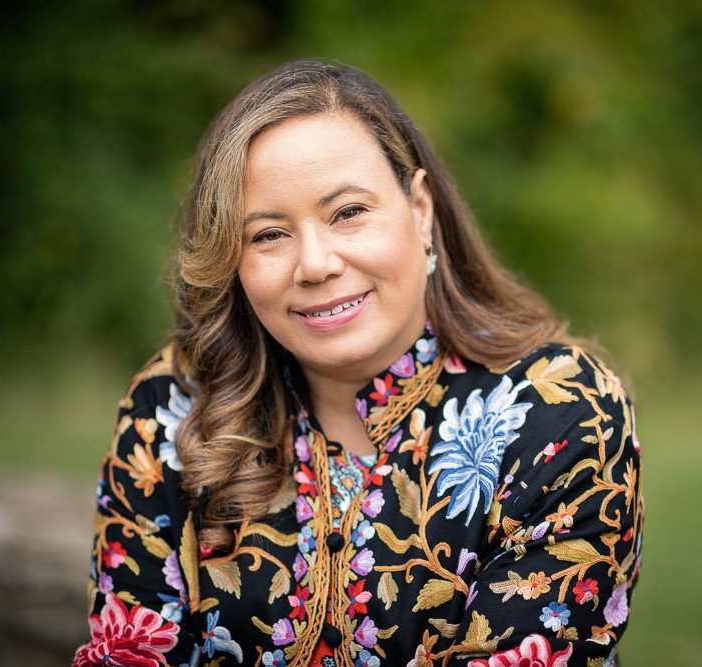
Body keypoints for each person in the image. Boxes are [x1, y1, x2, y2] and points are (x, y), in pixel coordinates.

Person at [73, 59, 643, 667]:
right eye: (268, 235)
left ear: (420, 209)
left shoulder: (561, 414)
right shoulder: (175, 404)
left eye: (348, 212)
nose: (315, 264)